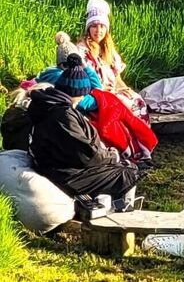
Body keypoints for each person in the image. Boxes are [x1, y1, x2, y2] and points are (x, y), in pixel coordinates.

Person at [27, 54, 140, 199]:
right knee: (128, 172)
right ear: (76, 94)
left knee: (118, 166)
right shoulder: (64, 115)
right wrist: (113, 155)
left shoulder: (46, 104)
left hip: (53, 165)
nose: (82, 99)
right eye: (82, 95)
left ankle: (94, 199)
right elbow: (87, 155)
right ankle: (119, 210)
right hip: (64, 174)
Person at [77, 0, 148, 122]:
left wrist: (125, 89)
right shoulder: (82, 51)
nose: (98, 30)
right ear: (88, 28)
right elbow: (83, 81)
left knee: (137, 101)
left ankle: (139, 138)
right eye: (94, 26)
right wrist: (105, 90)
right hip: (96, 95)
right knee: (127, 106)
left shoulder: (109, 50)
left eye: (102, 26)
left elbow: (117, 78)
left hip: (113, 91)